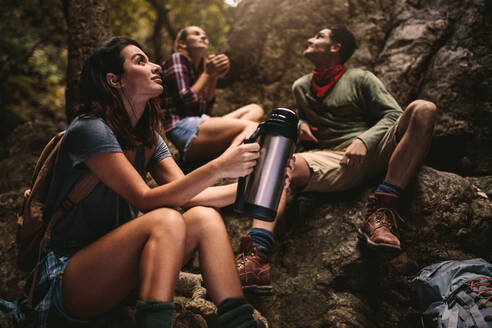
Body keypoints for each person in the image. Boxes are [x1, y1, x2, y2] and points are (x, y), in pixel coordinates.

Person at [0, 37, 271, 328]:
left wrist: (257, 186)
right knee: (166, 220)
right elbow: (144, 198)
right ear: (114, 80)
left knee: (204, 217)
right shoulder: (89, 129)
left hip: (119, 274)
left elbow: (191, 196)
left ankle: (239, 321)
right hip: (67, 278)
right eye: (140, 61)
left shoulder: (149, 138)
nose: (155, 67)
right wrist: (219, 166)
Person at [235, 26, 437, 294]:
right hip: (331, 160)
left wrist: (363, 140)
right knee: (278, 163)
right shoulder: (301, 87)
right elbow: (302, 124)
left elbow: (393, 115)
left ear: (335, 48)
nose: (310, 39)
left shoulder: (361, 79)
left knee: (424, 109)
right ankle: (257, 256)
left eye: (318, 37)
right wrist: (302, 123)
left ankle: (381, 210)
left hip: (374, 150)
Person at [160, 25, 264, 165]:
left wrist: (214, 76)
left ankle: (230, 147)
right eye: (196, 34)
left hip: (200, 125)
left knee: (255, 109)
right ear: (182, 43)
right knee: (252, 127)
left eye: (204, 35)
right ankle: (228, 162)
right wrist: (207, 73)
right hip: (183, 129)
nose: (203, 36)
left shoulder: (199, 69)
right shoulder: (177, 58)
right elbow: (185, 99)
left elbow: (206, 110)